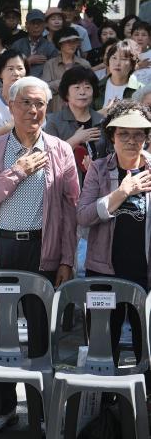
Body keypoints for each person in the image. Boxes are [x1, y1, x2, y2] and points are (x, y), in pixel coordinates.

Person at [0, 76, 79, 433]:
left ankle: (42, 413)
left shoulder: (60, 150)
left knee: (41, 332)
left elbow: (71, 209)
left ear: (48, 107)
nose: (33, 110)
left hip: (41, 249)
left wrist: (66, 259)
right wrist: (16, 172)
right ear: (11, 107)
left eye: (40, 104)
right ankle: (3, 408)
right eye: (25, 103)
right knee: (0, 331)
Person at [77, 100, 151, 360]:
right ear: (112, 135)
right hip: (104, 271)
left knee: (147, 346)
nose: (131, 140)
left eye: (139, 133)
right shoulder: (98, 169)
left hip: (146, 274)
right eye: (124, 133)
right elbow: (83, 216)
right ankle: (105, 399)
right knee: (104, 346)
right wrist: (121, 192)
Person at [44, 66, 104, 172]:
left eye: (87, 87)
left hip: (99, 183)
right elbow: (49, 158)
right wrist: (75, 140)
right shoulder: (54, 122)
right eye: (77, 87)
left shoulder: (102, 121)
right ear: (67, 93)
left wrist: (96, 166)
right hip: (66, 184)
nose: (82, 92)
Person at [41, 27, 92, 108]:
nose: (72, 45)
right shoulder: (50, 64)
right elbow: (44, 88)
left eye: (75, 41)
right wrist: (65, 82)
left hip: (80, 109)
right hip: (56, 110)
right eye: (68, 41)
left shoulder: (84, 64)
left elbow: (90, 87)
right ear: (60, 44)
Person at [12, 9, 59, 78]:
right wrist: (27, 61)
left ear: (44, 26)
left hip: (42, 85)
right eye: (33, 23)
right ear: (26, 25)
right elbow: (10, 68)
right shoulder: (17, 45)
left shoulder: (50, 47)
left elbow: (54, 72)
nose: (36, 26)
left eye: (39, 23)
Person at [96, 40, 140, 110]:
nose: (117, 63)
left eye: (123, 59)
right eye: (114, 58)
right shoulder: (97, 87)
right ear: (108, 61)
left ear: (132, 65)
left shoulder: (140, 90)